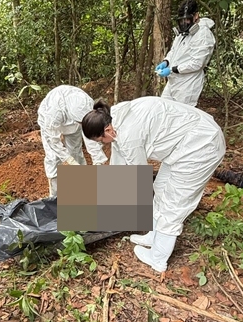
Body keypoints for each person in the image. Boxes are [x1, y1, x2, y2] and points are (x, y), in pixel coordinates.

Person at [82, 96, 226, 273]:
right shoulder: (115, 116)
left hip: (202, 146)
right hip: (183, 144)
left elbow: (137, 176)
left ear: (108, 130)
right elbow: (118, 162)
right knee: (160, 187)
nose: (101, 144)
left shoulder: (128, 137)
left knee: (173, 204)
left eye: (99, 140)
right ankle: (153, 236)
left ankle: (158, 258)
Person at [37, 84, 108, 197]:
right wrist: (68, 160)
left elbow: (91, 134)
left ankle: (80, 193)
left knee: (76, 154)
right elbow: (53, 141)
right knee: (53, 158)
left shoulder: (87, 104)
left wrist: (98, 159)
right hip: (50, 126)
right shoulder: (53, 113)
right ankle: (55, 197)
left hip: (73, 127)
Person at [156, 0, 216, 105]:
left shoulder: (203, 34)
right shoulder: (182, 34)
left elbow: (197, 63)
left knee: (181, 113)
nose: (184, 23)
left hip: (188, 84)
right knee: (163, 108)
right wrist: (166, 62)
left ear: (196, 16)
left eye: (187, 19)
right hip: (173, 81)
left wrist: (173, 69)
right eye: (181, 20)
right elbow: (174, 51)